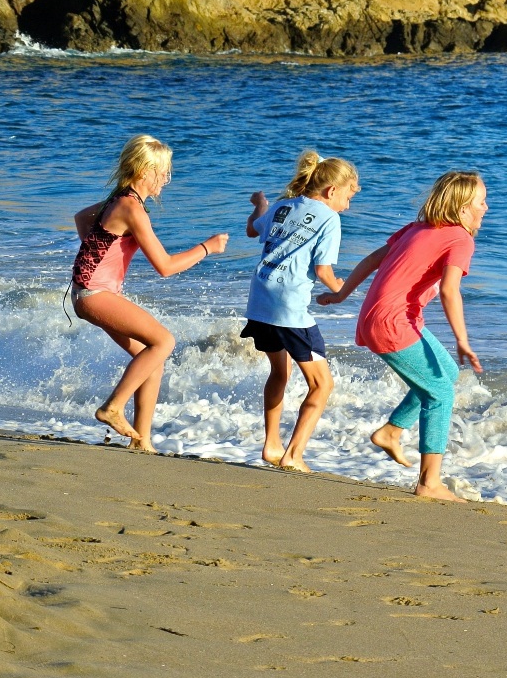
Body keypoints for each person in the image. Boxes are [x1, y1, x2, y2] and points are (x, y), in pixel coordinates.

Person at [317, 171, 487, 501]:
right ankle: (429, 483)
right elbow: (451, 292)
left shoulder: (418, 228)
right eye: (481, 202)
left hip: (381, 318)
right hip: (392, 322)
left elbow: (371, 261)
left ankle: (391, 431)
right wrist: (462, 340)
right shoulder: (460, 239)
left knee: (447, 374)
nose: (486, 207)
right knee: (439, 392)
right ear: (464, 208)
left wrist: (342, 295)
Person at [70, 134, 229, 450]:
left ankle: (141, 442)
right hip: (95, 294)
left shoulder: (118, 201)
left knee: (152, 358)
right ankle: (112, 407)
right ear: (144, 171)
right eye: (163, 171)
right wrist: (206, 248)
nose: (166, 179)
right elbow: (166, 267)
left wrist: (98, 253)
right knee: (164, 341)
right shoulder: (131, 208)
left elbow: (81, 218)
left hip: (91, 292)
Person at [241, 151, 358, 473]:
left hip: (260, 302)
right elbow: (323, 270)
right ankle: (293, 454)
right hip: (290, 309)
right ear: (332, 190)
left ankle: (271, 444)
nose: (347, 205)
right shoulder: (329, 217)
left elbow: (254, 230)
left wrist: (259, 205)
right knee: (322, 385)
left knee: (280, 372)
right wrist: (341, 288)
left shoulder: (282, 205)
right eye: (348, 196)